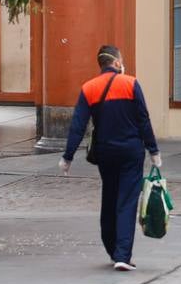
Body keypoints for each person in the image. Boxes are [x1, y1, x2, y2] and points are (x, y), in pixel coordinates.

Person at [59, 45, 161, 271]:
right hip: (131, 152)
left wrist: (68, 157)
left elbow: (78, 126)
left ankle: (111, 246)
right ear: (116, 63)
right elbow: (143, 119)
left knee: (110, 196)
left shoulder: (89, 88)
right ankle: (122, 254)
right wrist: (153, 150)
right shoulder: (131, 84)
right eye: (121, 61)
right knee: (127, 201)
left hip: (105, 152)